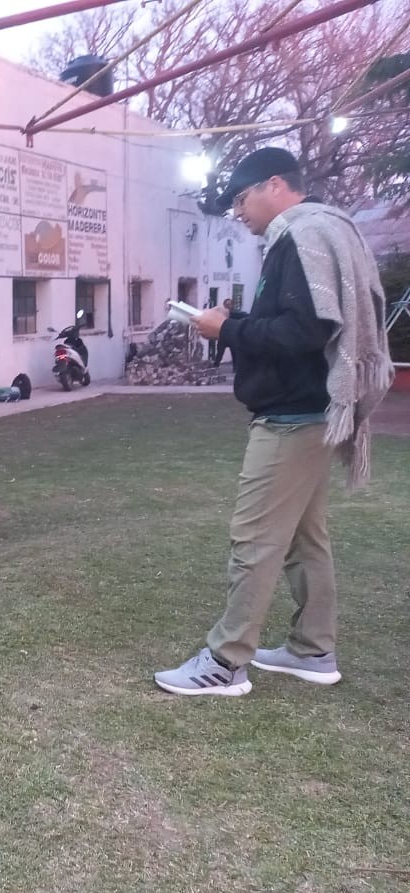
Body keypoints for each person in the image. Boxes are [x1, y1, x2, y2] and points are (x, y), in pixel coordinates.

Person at [155, 147, 393, 697]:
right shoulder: (316, 230)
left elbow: (305, 332)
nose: (238, 212)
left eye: (242, 198)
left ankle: (225, 662)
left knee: (255, 538)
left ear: (276, 186)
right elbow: (298, 323)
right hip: (311, 412)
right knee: (306, 539)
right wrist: (235, 321)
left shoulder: (301, 235)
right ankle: (313, 650)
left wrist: (226, 331)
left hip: (292, 418)